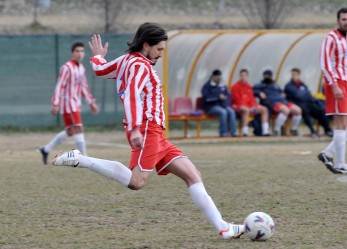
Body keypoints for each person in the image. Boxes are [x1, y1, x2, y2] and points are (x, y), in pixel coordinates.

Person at [52, 23, 244, 239]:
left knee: (193, 175)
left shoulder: (127, 60)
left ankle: (224, 228)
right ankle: (82, 159)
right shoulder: (140, 66)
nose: (161, 54)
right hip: (146, 129)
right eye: (159, 49)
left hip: (155, 133)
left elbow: (101, 70)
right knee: (137, 182)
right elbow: (133, 95)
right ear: (146, 45)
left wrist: (97, 57)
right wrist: (135, 129)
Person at [39, 42, 99, 164]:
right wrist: (56, 103)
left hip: (76, 104)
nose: (80, 54)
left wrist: (91, 102)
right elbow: (59, 86)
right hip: (68, 105)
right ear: (72, 53)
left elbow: (84, 87)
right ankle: (84, 158)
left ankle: (46, 149)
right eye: (77, 51)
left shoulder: (81, 68)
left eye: (82, 51)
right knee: (78, 128)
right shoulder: (66, 67)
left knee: (71, 131)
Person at [318, 8, 347, 174]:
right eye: (343, 19)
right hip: (336, 83)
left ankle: (328, 153)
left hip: (346, 81)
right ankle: (340, 163)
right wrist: (334, 85)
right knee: (341, 123)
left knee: (345, 124)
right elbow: (325, 63)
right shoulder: (331, 37)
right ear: (338, 21)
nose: (346, 22)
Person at [285, 68, 333, 138]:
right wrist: (304, 94)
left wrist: (304, 94)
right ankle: (312, 131)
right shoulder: (289, 86)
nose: (294, 76)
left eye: (295, 75)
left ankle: (328, 130)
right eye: (293, 75)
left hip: (307, 103)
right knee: (305, 111)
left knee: (320, 111)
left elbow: (308, 94)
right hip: (297, 104)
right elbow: (299, 96)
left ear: (299, 75)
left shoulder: (302, 84)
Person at [253, 70, 302, 136]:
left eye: (268, 75)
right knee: (286, 110)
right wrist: (259, 93)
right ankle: (276, 130)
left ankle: (293, 129)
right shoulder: (259, 85)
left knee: (298, 110)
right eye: (266, 75)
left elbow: (281, 90)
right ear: (263, 76)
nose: (267, 76)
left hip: (283, 101)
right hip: (272, 102)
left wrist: (282, 93)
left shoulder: (275, 85)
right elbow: (253, 91)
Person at [231, 69, 270, 136]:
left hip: (249, 106)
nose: (243, 77)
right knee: (246, 110)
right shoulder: (235, 86)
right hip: (238, 106)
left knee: (264, 109)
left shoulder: (249, 87)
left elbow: (252, 99)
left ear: (247, 76)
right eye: (242, 75)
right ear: (240, 76)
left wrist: (253, 106)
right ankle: (245, 132)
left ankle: (265, 131)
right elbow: (237, 100)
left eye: (245, 75)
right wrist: (248, 107)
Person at [201, 70, 237, 137]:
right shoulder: (207, 86)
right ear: (213, 77)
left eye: (220, 78)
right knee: (223, 112)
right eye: (217, 78)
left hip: (222, 105)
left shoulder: (222, 85)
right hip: (211, 107)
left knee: (231, 111)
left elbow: (228, 95)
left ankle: (233, 132)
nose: (219, 79)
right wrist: (218, 97)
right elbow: (206, 98)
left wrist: (225, 99)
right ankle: (223, 133)